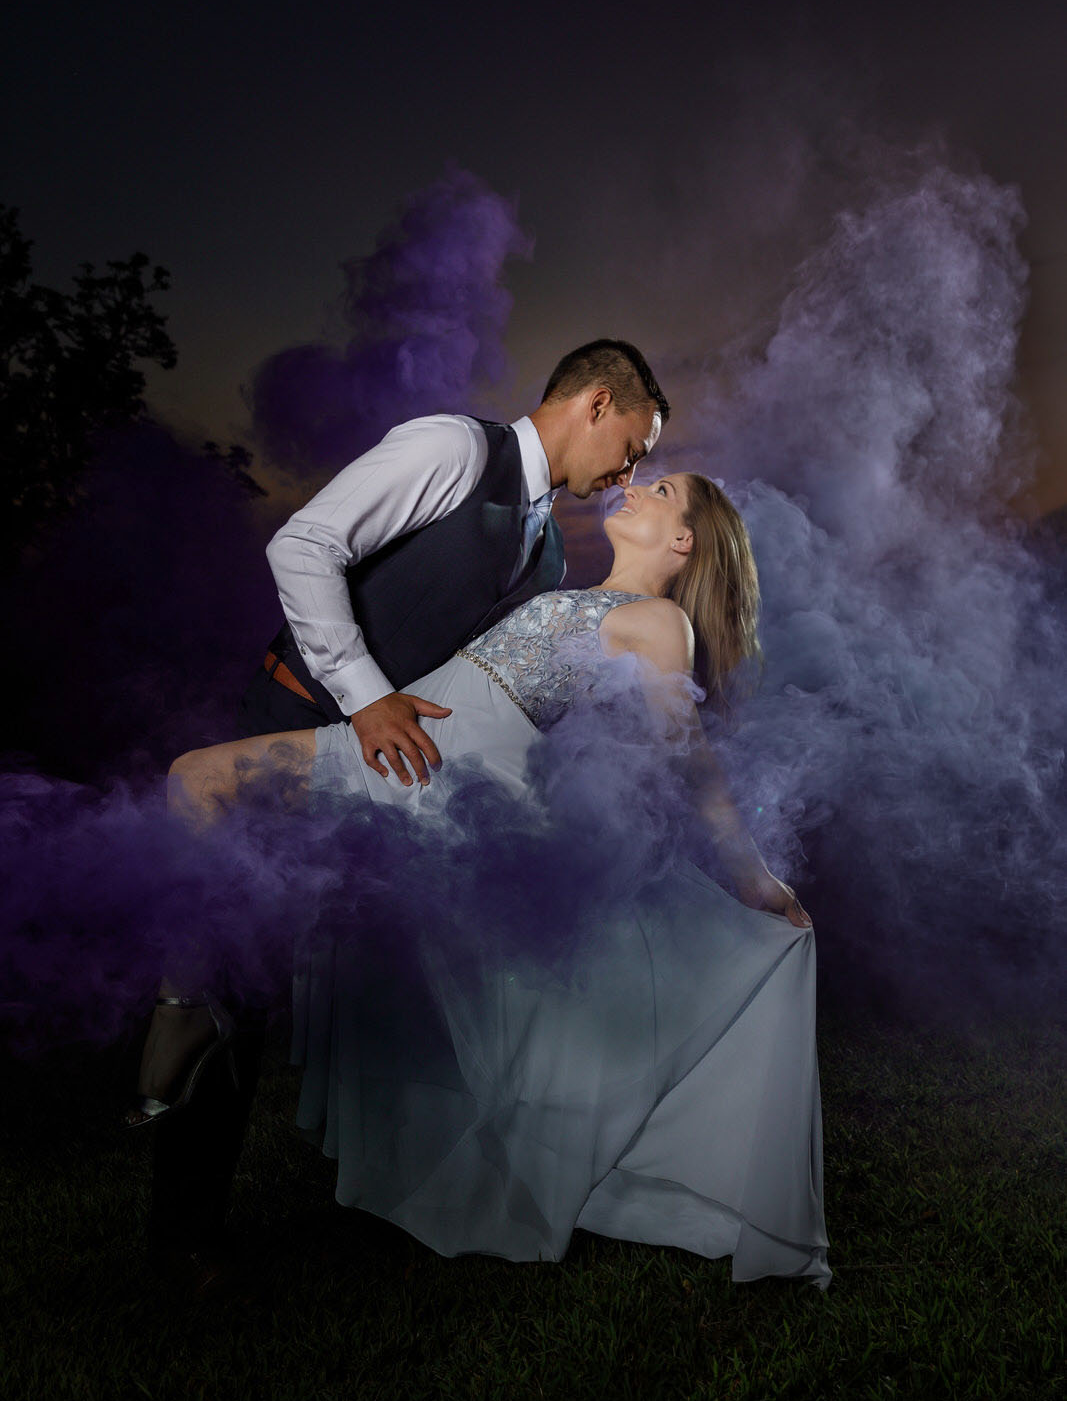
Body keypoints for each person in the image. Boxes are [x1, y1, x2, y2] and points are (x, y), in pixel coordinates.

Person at [129, 471, 830, 1288]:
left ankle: (188, 1011)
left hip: (451, 771)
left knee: (203, 782)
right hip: (409, 734)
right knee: (200, 784)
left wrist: (754, 879)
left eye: (662, 489)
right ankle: (190, 1005)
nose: (637, 486)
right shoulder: (574, 589)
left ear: (683, 540)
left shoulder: (657, 619)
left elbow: (688, 762)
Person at [137, 339, 671, 1285]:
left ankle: (433, 1190)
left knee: (376, 974)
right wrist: (364, 696)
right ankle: (183, 1232)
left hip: (387, 770)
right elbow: (303, 545)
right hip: (301, 721)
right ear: (596, 403)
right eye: (631, 446)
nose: (628, 472)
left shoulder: (549, 549)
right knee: (239, 969)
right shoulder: (450, 449)